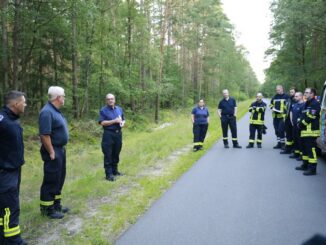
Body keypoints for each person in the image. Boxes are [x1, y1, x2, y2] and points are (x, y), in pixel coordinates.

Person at [0, 91, 27, 245]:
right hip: (5, 172)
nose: (25, 104)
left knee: (5, 206)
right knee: (10, 206)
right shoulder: (3, 121)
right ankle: (13, 240)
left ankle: (3, 238)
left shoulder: (12, 119)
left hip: (14, 169)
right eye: (23, 102)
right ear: (15, 104)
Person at [39, 86, 69, 219]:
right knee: (51, 179)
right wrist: (51, 152)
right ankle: (47, 209)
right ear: (58, 98)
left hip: (60, 149)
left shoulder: (56, 111)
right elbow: (45, 135)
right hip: (53, 150)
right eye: (63, 96)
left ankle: (56, 205)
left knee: (59, 178)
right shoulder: (46, 112)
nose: (64, 98)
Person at [99, 94, 125, 182]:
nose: (110, 100)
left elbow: (123, 119)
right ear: (106, 101)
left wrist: (122, 123)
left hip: (118, 134)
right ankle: (108, 174)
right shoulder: (103, 110)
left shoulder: (119, 109)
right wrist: (114, 121)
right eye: (108, 99)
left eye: (112, 99)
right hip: (108, 135)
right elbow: (102, 122)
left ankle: (115, 171)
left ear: (115, 100)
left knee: (116, 153)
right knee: (108, 154)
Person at [295, 88, 321, 175]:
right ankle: (305, 165)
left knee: (311, 150)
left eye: (307, 92)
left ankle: (312, 169)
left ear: (312, 94)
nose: (305, 94)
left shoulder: (315, 103)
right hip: (304, 131)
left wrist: (300, 124)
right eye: (304, 92)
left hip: (311, 131)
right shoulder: (306, 103)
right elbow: (302, 115)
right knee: (304, 149)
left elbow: (311, 117)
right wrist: (299, 121)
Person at [270, 85, 290, 149]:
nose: (277, 91)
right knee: (276, 131)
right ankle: (278, 143)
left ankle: (283, 144)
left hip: (282, 116)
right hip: (275, 117)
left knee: (281, 130)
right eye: (276, 90)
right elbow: (271, 104)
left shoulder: (286, 96)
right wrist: (272, 108)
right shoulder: (274, 96)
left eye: (278, 90)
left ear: (282, 89)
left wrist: (283, 111)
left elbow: (288, 106)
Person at [280, 87, 297, 154]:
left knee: (294, 136)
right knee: (288, 135)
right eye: (290, 92)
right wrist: (284, 117)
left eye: (292, 92)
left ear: (296, 92)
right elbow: (285, 109)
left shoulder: (297, 101)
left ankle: (294, 149)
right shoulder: (288, 100)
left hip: (293, 121)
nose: (291, 93)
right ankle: (288, 149)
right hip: (287, 120)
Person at [289, 92, 305, 160]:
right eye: (295, 96)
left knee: (300, 140)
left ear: (301, 97)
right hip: (294, 125)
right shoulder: (295, 105)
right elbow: (291, 112)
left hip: (300, 126)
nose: (295, 97)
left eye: (296, 96)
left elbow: (303, 116)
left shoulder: (304, 105)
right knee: (295, 139)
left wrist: (300, 123)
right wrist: (292, 122)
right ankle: (296, 153)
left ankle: (301, 155)